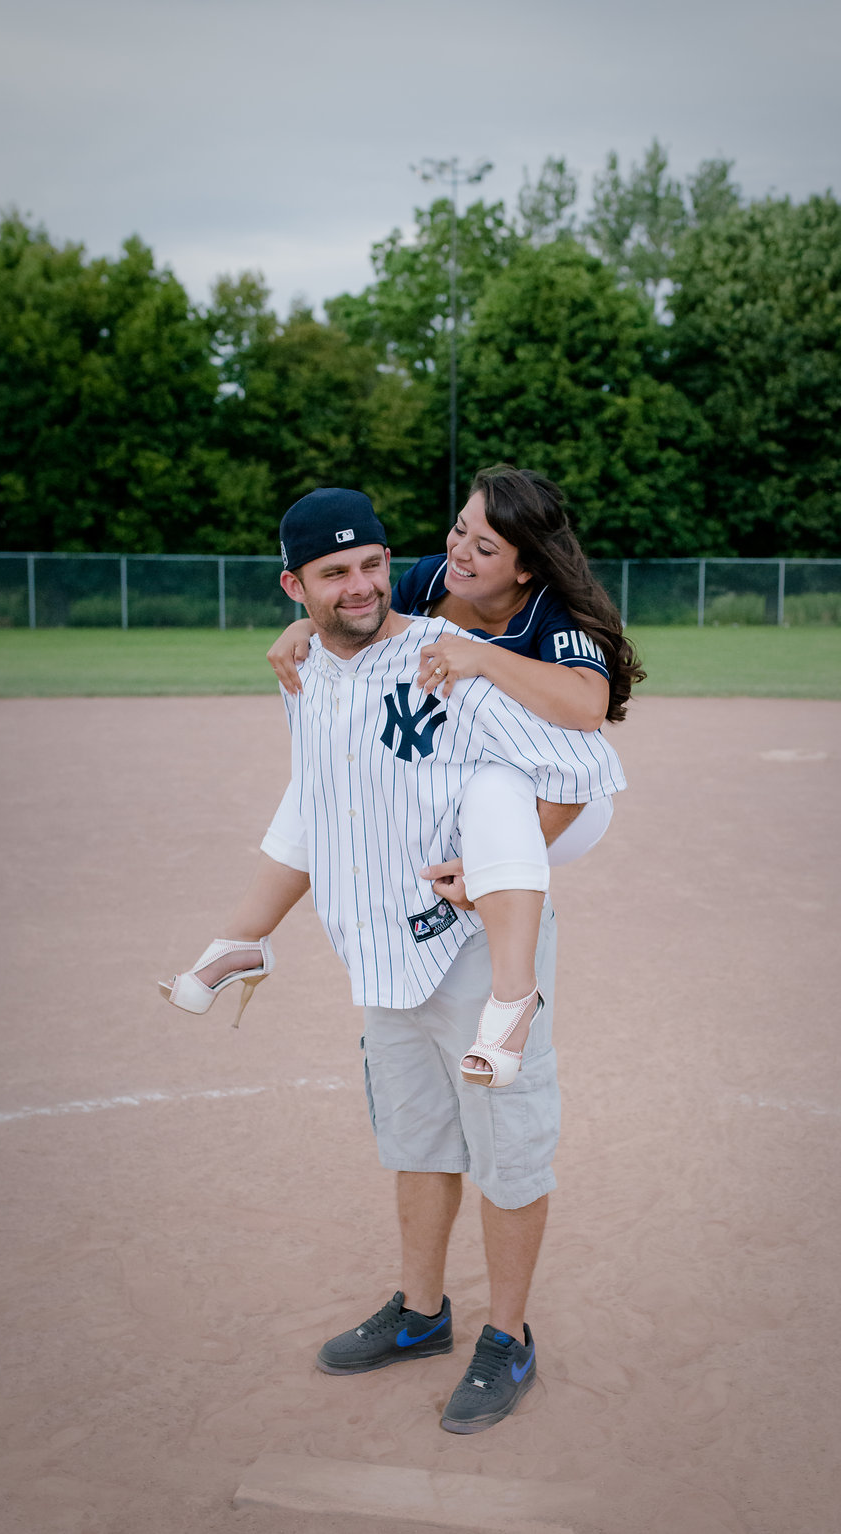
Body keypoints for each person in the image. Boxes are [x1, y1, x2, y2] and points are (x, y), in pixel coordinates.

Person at [159, 486, 626, 1433]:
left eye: (372, 564)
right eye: (335, 573)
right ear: (294, 587)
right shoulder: (313, 666)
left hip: (471, 935)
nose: (363, 585)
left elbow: (586, 763)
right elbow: (316, 806)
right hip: (386, 947)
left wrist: (499, 867)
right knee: (416, 1139)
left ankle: (507, 1336)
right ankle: (421, 1315)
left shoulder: (452, 656)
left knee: (506, 1145)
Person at [266, 465, 644, 1083]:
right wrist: (306, 622)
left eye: (486, 547)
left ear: (525, 567)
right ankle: (245, 937)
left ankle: (513, 995)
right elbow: (367, 624)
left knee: (495, 785)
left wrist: (483, 656)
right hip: (473, 778)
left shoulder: (551, 611)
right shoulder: (430, 578)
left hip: (562, 797)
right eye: (460, 529)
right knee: (331, 766)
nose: (461, 551)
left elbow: (586, 709)